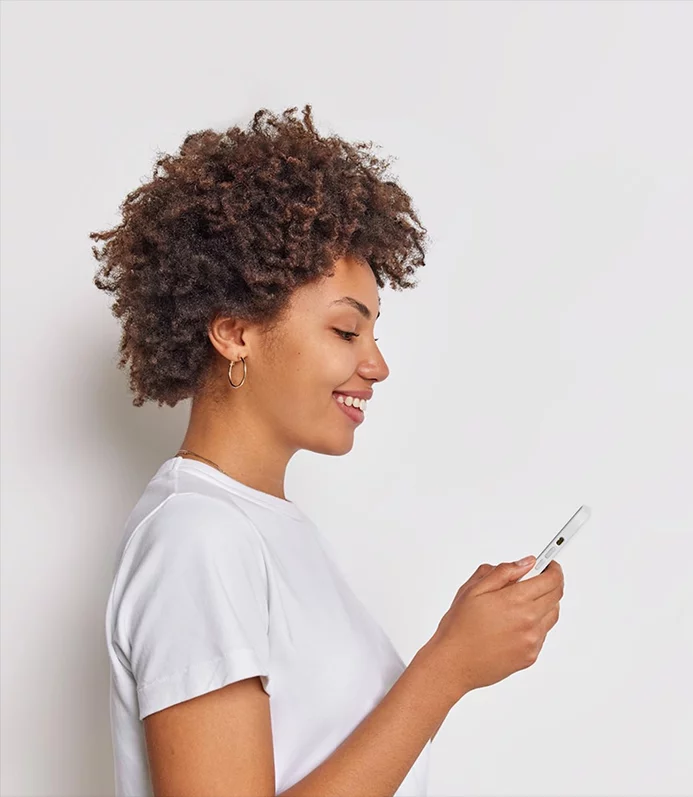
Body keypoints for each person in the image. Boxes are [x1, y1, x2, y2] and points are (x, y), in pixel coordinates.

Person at [91, 105, 564, 797]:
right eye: (346, 331)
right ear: (234, 333)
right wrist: (445, 669)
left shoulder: (264, 530)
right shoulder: (198, 538)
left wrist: (454, 653)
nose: (377, 365)